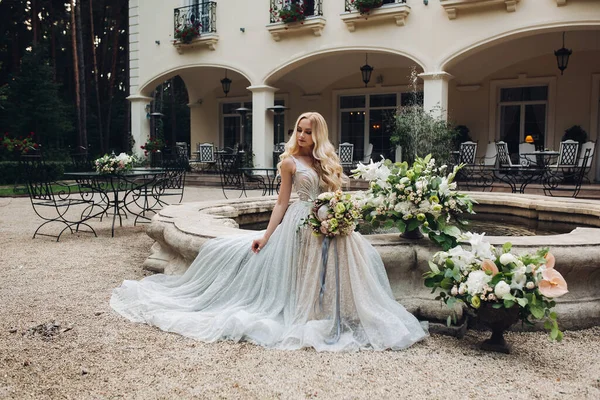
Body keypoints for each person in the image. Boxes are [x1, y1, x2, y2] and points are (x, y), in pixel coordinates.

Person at [111, 112, 427, 351]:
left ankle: (328, 313)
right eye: (299, 130)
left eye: (307, 132)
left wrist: (342, 217)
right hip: (299, 225)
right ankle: (306, 313)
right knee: (297, 274)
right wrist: (266, 235)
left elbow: (335, 197)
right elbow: (281, 204)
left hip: (330, 226)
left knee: (336, 266)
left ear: (318, 135)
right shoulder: (289, 163)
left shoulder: (326, 163)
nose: (302, 136)